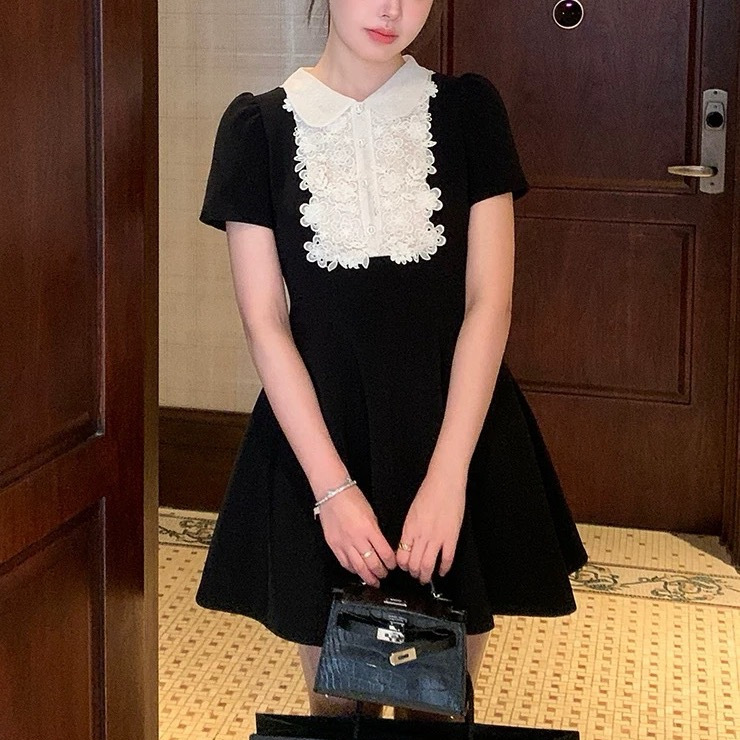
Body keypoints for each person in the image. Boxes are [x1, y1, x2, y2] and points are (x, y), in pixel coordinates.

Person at [195, 0, 589, 722]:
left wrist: (448, 478)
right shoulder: (257, 129)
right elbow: (265, 323)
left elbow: (489, 304)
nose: (392, 9)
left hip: (456, 436)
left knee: (437, 705)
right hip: (321, 445)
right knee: (336, 709)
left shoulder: (469, 111)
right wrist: (332, 493)